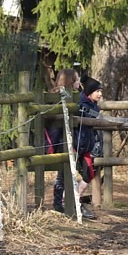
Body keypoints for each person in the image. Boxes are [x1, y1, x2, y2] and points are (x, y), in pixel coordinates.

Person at [45, 68, 81, 214]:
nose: (79, 82)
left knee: (64, 174)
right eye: (77, 79)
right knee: (63, 173)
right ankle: (60, 202)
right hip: (60, 142)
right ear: (71, 81)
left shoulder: (68, 96)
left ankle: (62, 202)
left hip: (63, 140)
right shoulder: (62, 96)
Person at [73, 75, 105, 220]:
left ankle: (75, 198)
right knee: (69, 176)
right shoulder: (80, 104)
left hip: (87, 146)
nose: (100, 94)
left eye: (101, 91)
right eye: (97, 91)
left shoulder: (94, 106)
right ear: (90, 92)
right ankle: (70, 201)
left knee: (89, 173)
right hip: (76, 144)